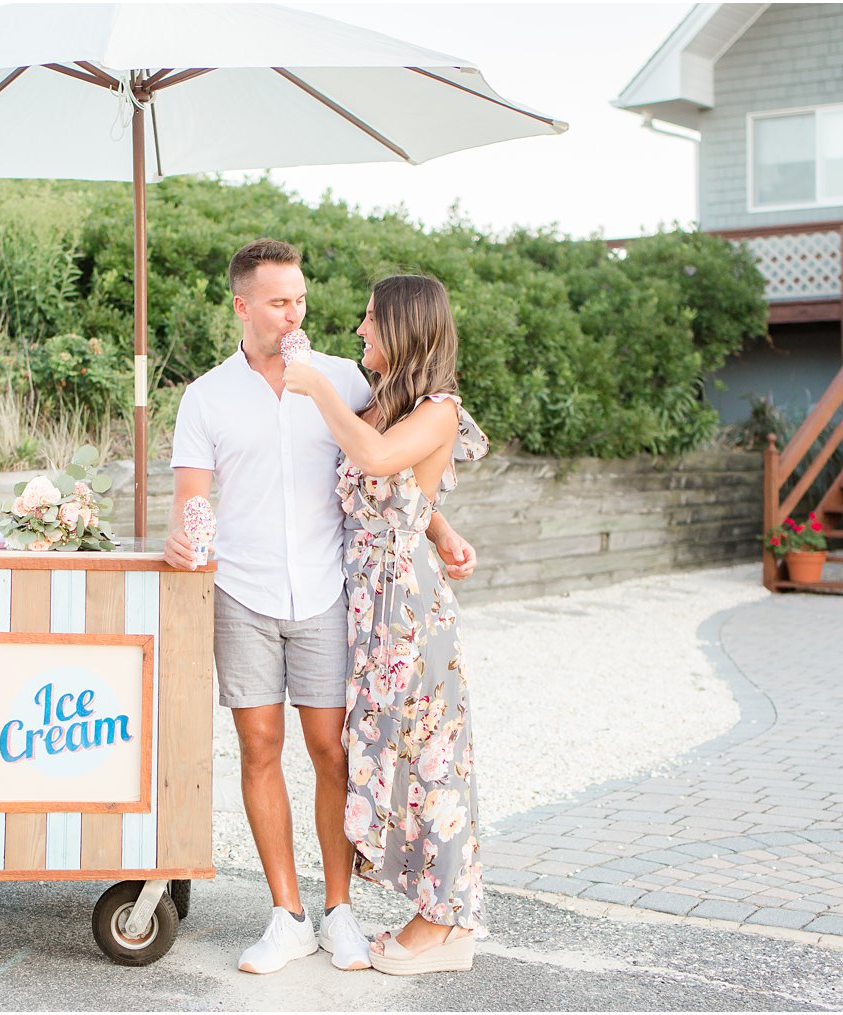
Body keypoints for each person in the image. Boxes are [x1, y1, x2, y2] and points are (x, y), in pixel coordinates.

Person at [164, 241, 478, 975]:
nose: (295, 313)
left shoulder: (344, 382)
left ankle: (341, 911)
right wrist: (183, 536)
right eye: (278, 302)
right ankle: (287, 915)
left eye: (300, 298)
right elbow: (191, 500)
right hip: (242, 594)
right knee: (259, 748)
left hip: (332, 596)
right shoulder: (206, 396)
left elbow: (393, 466)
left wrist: (442, 526)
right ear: (243, 307)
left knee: (333, 750)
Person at [282, 273, 490, 976]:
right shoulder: (384, 405)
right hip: (367, 607)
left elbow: (376, 462)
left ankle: (446, 921)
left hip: (406, 611)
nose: (361, 330)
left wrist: (315, 387)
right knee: (392, 757)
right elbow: (403, 487)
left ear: (402, 327)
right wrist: (443, 526)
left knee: (432, 760)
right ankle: (429, 909)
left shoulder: (439, 406)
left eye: (371, 319)